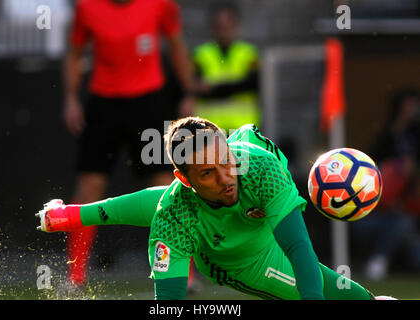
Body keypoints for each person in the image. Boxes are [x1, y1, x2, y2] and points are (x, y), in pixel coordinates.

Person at [36, 117, 395, 300]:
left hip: (264, 222)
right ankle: (75, 215)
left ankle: (73, 213)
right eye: (208, 172)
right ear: (184, 176)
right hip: (242, 258)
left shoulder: (258, 166)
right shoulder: (173, 219)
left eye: (226, 161)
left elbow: (298, 246)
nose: (226, 178)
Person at [62, 0, 195, 288]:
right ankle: (75, 277)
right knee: (89, 187)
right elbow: (74, 54)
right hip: (103, 104)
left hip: (148, 102)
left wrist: (187, 92)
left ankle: (184, 273)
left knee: (168, 187)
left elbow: (176, 45)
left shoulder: (161, 4)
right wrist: (71, 98)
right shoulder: (87, 7)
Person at [353, 89, 420, 281]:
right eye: (408, 106)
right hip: (374, 216)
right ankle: (379, 260)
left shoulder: (415, 139)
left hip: (406, 214)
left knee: (409, 233)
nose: (412, 110)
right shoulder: (383, 142)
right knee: (402, 223)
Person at [192, 1, 261, 134]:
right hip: (210, 128)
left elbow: (252, 84)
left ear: (236, 25)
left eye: (227, 25)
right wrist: (235, 85)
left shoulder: (248, 53)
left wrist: (214, 88)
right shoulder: (200, 54)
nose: (223, 29)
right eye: (219, 25)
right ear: (212, 27)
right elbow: (196, 87)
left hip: (243, 129)